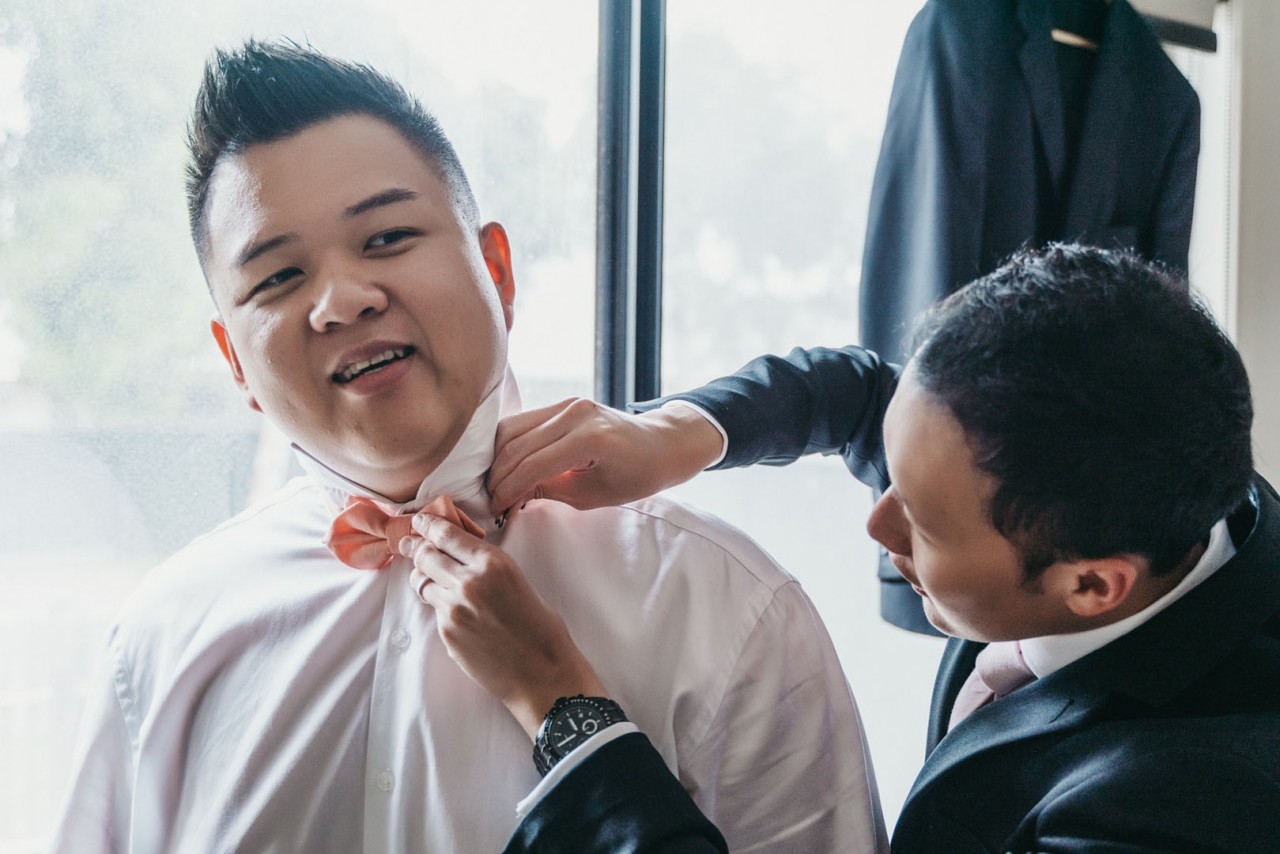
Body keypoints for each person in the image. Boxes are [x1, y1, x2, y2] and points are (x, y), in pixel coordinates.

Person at [50, 41, 888, 853]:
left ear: (498, 270)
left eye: (386, 238)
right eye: (278, 277)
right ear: (234, 362)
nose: (343, 301)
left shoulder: (731, 609)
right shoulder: (158, 643)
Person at [467, 245, 1280, 852]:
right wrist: (675, 431)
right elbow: (855, 392)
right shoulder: (1124, 470)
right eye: (893, 468)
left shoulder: (1181, 811)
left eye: (923, 523)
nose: (875, 523)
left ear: (1094, 586)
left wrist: (563, 710)